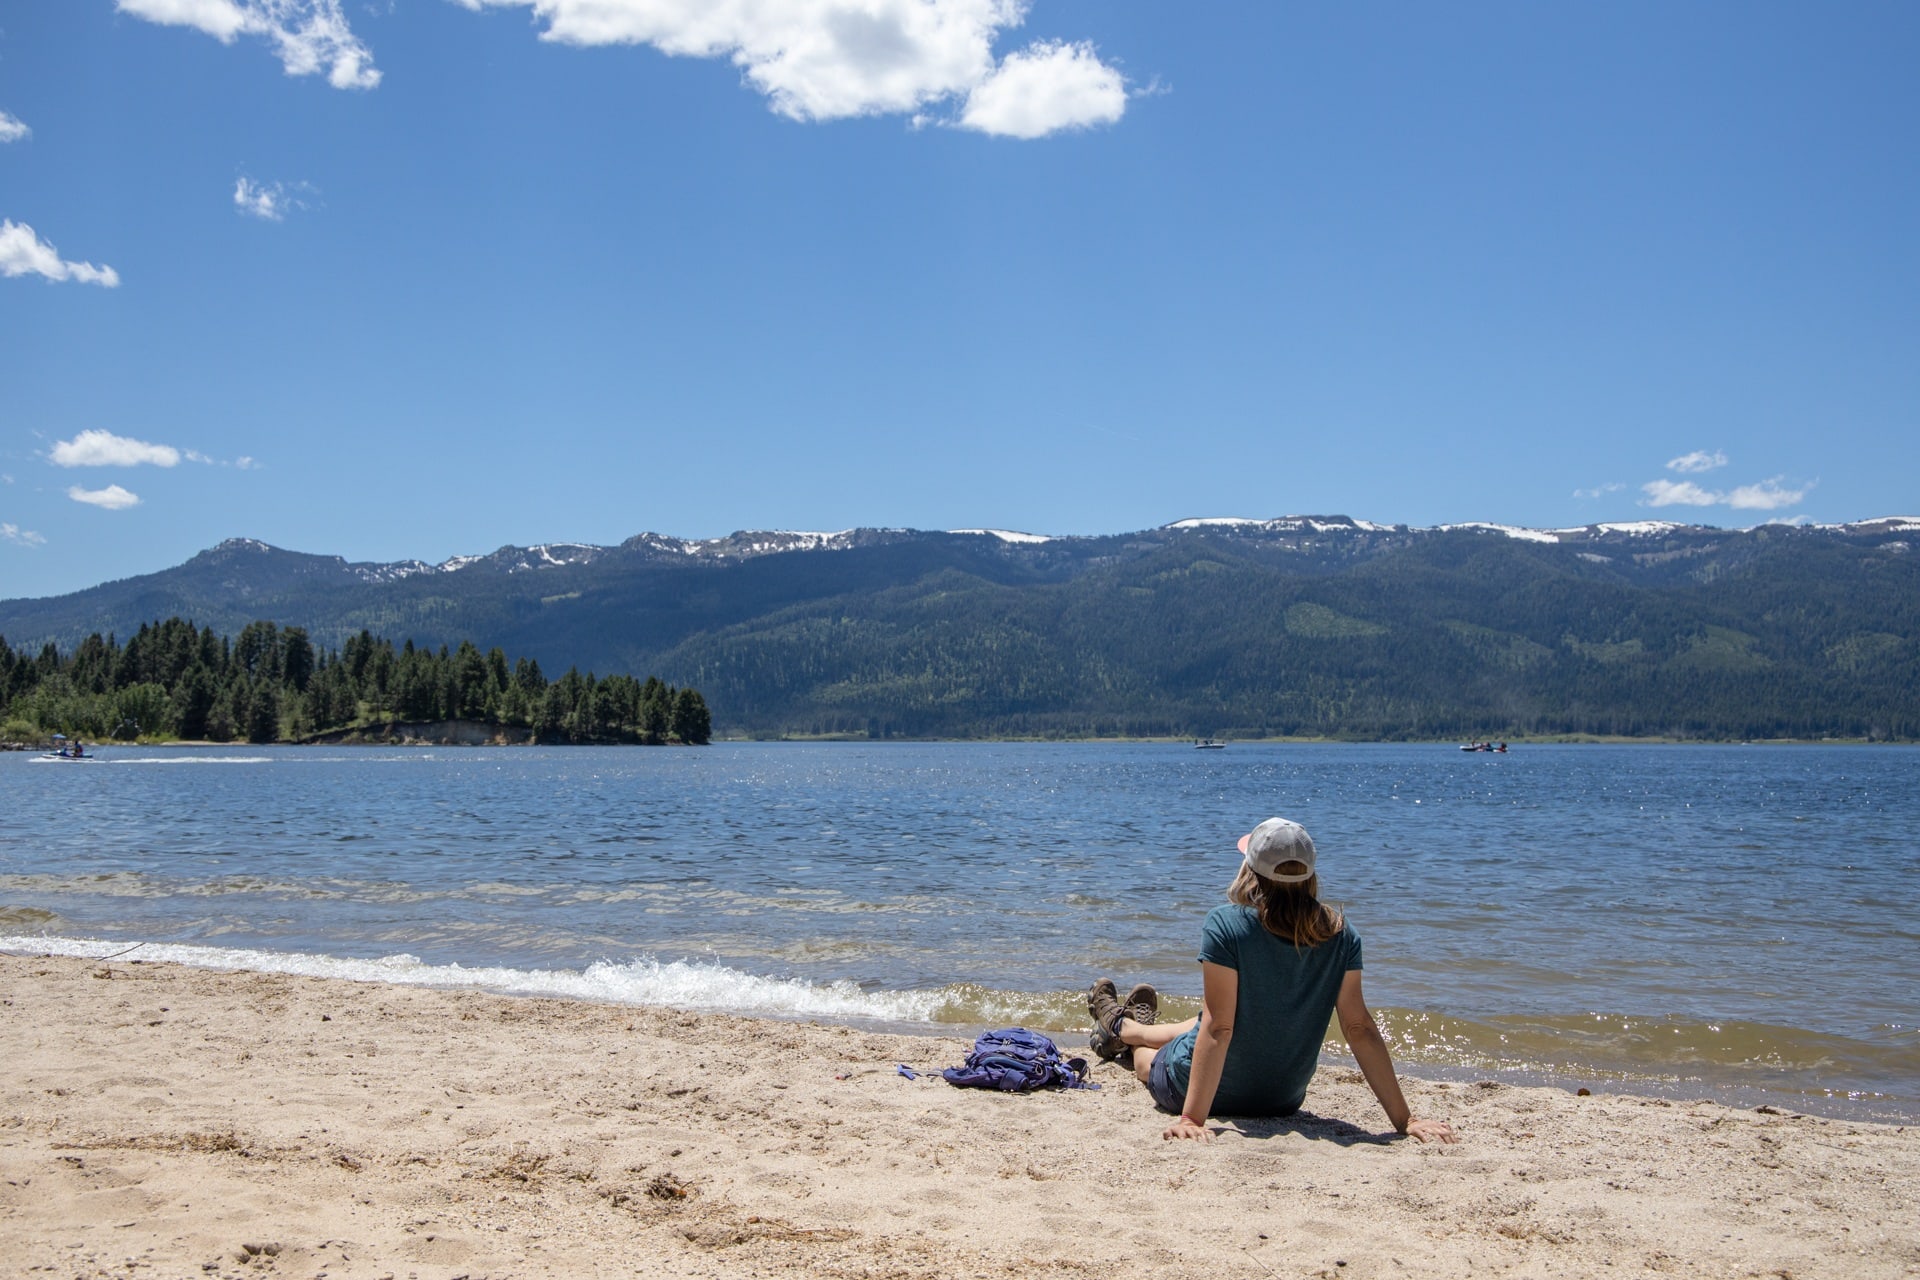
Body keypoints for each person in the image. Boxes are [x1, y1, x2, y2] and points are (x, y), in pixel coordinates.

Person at [1087, 817, 1456, 1144]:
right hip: (1282, 1099)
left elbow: (1219, 1028)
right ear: (1310, 874)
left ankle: (1124, 1035)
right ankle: (1125, 1024)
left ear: (1250, 869)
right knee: (1198, 1023)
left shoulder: (1226, 925)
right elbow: (1358, 1027)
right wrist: (1404, 1120)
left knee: (1150, 1061)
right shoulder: (1342, 935)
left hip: (1199, 1090)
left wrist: (1192, 1118)